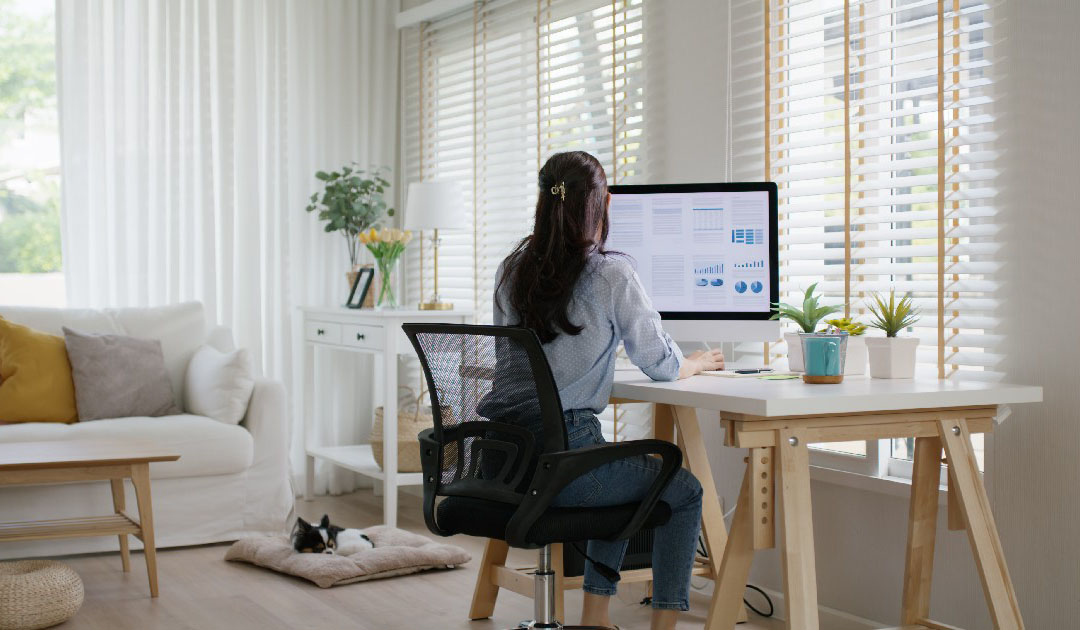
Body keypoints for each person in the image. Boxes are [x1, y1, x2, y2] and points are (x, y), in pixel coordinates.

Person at [493, 151, 724, 630]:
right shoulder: (610, 273)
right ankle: (662, 626)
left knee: (615, 465)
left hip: (508, 462)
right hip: (568, 463)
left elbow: (516, 366)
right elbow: (659, 362)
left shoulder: (510, 271)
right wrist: (694, 362)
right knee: (681, 489)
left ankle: (596, 619)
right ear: (603, 203)